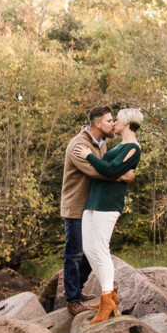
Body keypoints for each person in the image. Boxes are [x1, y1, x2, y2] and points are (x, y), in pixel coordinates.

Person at [79, 108, 143, 323]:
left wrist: (88, 156)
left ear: (126, 122)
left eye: (116, 120)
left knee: (101, 247)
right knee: (89, 248)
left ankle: (107, 300)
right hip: (94, 200)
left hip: (108, 203)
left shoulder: (134, 148)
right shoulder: (119, 146)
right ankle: (111, 294)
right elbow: (110, 169)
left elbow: (110, 170)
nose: (114, 123)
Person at [59, 106, 124, 315]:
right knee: (74, 253)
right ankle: (72, 300)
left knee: (90, 252)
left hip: (92, 207)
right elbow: (96, 172)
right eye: (109, 120)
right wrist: (121, 176)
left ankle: (76, 290)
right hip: (76, 206)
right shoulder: (79, 145)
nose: (113, 124)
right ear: (97, 124)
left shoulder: (101, 144)